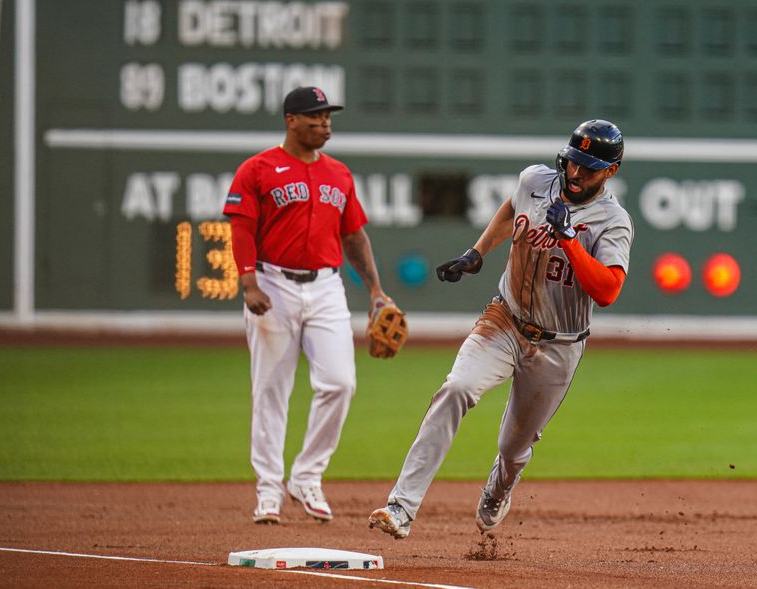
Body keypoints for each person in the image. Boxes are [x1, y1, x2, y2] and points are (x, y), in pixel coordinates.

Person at [368, 119, 633, 539]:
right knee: (456, 388)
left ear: (610, 171)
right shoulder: (534, 180)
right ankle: (401, 506)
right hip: (505, 319)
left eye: (589, 167)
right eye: (572, 163)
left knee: (513, 447)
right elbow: (513, 208)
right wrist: (477, 252)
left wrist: (567, 239)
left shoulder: (612, 222)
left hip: (558, 345)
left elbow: (608, 291)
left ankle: (500, 486)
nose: (576, 174)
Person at [224, 86, 393, 524]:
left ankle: (307, 476)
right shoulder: (257, 169)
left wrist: (375, 290)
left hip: (325, 287)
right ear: (291, 120)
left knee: (340, 383)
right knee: (270, 390)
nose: (325, 124)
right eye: (315, 117)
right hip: (272, 283)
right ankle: (268, 490)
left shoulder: (339, 174)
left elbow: (354, 236)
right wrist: (248, 283)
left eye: (328, 117)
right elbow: (241, 228)